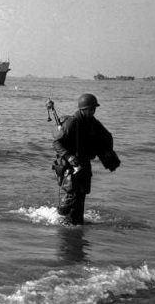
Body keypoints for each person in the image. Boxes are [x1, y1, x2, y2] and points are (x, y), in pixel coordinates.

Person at [52, 93, 120, 225]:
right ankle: (64, 226)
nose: (93, 111)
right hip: (69, 166)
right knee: (70, 198)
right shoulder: (71, 122)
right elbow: (56, 143)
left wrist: (107, 154)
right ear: (82, 109)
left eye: (94, 109)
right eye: (90, 109)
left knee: (81, 197)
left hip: (84, 165)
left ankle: (76, 226)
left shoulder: (93, 123)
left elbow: (106, 136)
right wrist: (69, 157)